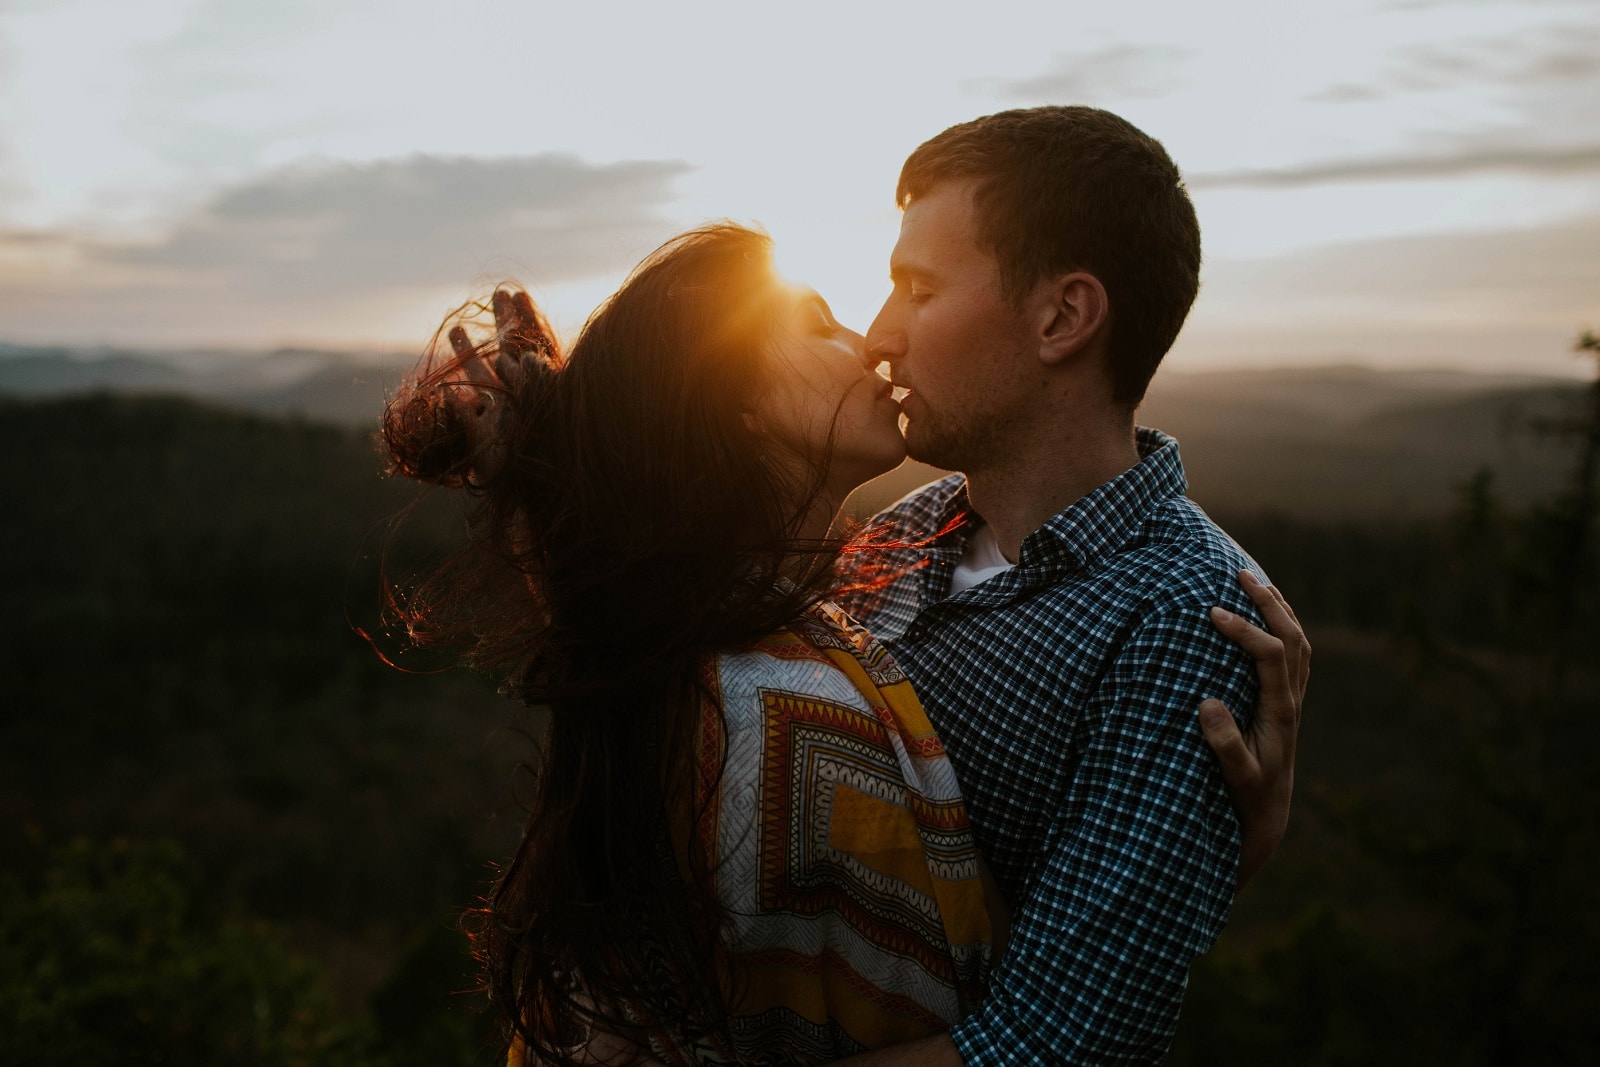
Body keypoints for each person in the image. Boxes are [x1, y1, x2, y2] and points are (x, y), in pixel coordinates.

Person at [380, 223, 1304, 1065]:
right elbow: (1002, 1007)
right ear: (735, 402)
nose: (872, 337)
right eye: (819, 324)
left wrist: (1187, 840)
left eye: (920, 289)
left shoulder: (818, 589)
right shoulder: (789, 715)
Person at [826, 105, 1305, 1065]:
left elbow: (1053, 1045)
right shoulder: (900, 532)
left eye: (917, 288)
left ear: (1063, 317)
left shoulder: (1179, 617)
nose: (878, 333)